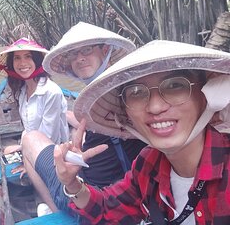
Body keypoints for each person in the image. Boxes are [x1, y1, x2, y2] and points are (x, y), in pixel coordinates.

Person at [55, 40, 230, 224]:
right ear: (126, 113)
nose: (155, 107)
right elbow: (108, 209)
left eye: (174, 86)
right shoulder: (148, 163)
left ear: (206, 96)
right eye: (137, 92)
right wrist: (71, 183)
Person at [20, 22, 147, 215]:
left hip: (96, 200)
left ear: (105, 50)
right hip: (120, 189)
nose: (80, 59)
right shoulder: (126, 86)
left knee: (29, 139)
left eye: (87, 50)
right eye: (73, 55)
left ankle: (57, 211)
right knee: (75, 133)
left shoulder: (108, 95)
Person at [0, 37, 69, 146]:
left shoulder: (51, 92)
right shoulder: (22, 91)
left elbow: (50, 138)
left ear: (37, 61)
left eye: (28, 57)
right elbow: (28, 130)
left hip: (52, 153)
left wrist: (22, 149)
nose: (22, 63)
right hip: (31, 148)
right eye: (17, 58)